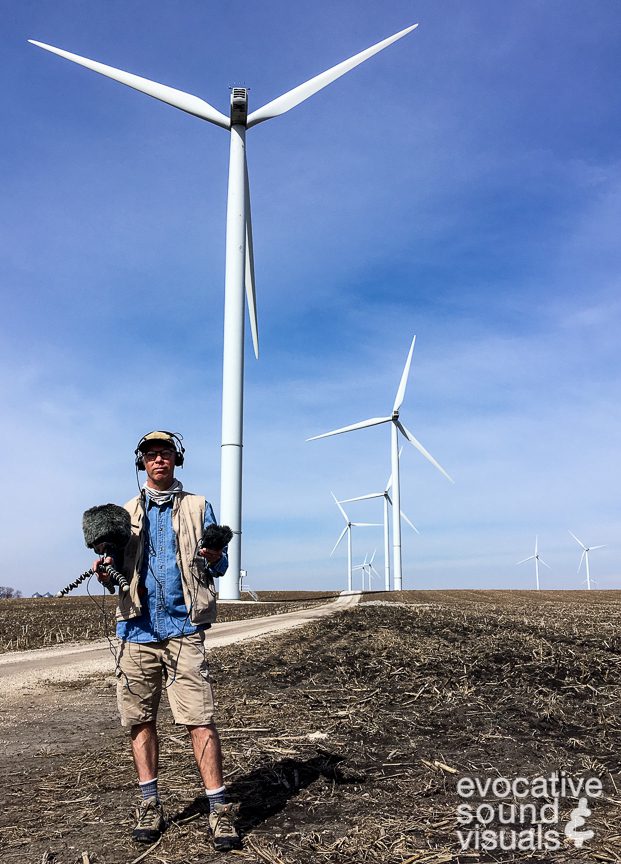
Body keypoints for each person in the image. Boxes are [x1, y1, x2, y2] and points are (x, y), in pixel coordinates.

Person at [95, 430, 240, 851]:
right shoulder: (123, 513)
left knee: (200, 719)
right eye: (151, 455)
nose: (159, 460)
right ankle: (149, 805)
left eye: (166, 454)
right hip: (136, 631)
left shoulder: (199, 506)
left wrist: (215, 557)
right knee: (140, 720)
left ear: (177, 459)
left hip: (183, 629)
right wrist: (106, 574)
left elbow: (221, 562)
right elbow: (115, 576)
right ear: (141, 462)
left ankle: (219, 810)